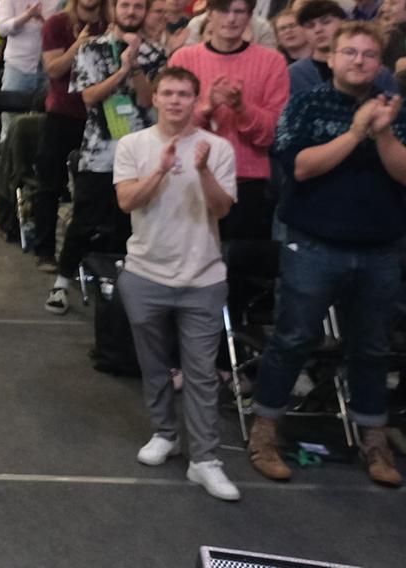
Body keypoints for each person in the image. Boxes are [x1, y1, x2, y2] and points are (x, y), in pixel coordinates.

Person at [250, 22, 406, 488]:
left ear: (380, 64)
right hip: (313, 245)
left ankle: (374, 441)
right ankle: (265, 431)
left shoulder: (398, 111)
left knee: (370, 349)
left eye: (369, 55)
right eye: (349, 52)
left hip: (378, 250)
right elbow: (301, 167)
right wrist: (355, 132)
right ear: (330, 58)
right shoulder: (306, 103)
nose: (359, 61)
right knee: (292, 339)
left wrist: (384, 134)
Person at [112, 66, 241, 501]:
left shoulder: (218, 148)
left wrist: (202, 170)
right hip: (145, 274)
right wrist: (161, 171)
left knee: (202, 373)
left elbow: (222, 209)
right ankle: (165, 433)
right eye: (167, 93)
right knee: (153, 365)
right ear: (156, 98)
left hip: (204, 277)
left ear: (195, 99)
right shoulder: (133, 144)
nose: (174, 101)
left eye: (184, 94)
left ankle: (205, 460)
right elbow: (127, 200)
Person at [47, 0, 164, 314]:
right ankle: (62, 283)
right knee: (85, 220)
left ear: (144, 12)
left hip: (140, 153)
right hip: (99, 150)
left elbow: (148, 100)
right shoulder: (91, 48)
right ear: (115, 8)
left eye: (138, 7)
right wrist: (122, 69)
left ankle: (119, 289)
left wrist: (137, 64)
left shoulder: (155, 53)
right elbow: (89, 97)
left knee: (129, 224)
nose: (131, 12)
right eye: (125, 5)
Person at [168, 0, 289, 242]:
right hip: (190, 176)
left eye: (240, 11)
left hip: (247, 181)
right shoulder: (183, 59)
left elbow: (270, 133)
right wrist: (207, 108)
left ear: (250, 17)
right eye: (224, 10)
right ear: (209, 14)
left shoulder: (272, 62)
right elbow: (171, 127)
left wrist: (242, 108)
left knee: (242, 270)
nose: (232, 18)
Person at [27, 0, 109, 270]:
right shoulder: (57, 23)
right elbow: (53, 69)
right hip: (63, 113)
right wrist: (79, 45)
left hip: (99, 117)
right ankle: (44, 249)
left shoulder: (111, 25)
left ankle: (85, 253)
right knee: (50, 184)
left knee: (94, 188)